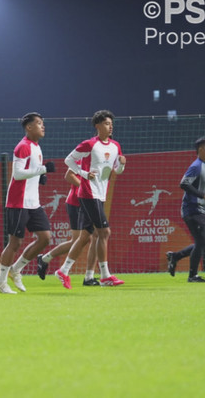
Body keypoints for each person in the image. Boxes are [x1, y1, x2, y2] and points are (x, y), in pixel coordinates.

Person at [59, 109, 126, 288]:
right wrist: (83, 173)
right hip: (88, 193)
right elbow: (68, 160)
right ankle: (105, 275)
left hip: (101, 193)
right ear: (97, 126)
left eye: (111, 124)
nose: (110, 127)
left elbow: (116, 170)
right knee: (104, 232)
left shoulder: (115, 146)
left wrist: (122, 165)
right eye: (106, 123)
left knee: (86, 236)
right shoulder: (89, 144)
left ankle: (63, 271)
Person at [0, 112, 54, 294]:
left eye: (43, 123)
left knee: (45, 238)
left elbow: (30, 172)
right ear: (29, 127)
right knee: (15, 242)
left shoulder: (36, 147)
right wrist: (43, 169)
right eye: (39, 123)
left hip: (33, 202)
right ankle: (0, 282)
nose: (43, 126)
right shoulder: (23, 146)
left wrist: (40, 176)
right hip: (18, 202)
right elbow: (18, 174)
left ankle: (16, 269)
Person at [166, 137, 205, 283]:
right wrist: (204, 195)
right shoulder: (196, 166)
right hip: (192, 210)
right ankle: (192, 276)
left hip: (203, 210)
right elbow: (184, 184)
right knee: (201, 242)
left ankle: (175, 256)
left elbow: (202, 189)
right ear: (201, 150)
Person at [37, 167, 100, 286]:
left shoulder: (97, 159)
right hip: (76, 203)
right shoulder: (80, 158)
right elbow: (68, 176)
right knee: (83, 239)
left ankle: (45, 259)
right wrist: (85, 187)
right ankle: (87, 277)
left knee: (92, 237)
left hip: (87, 202)